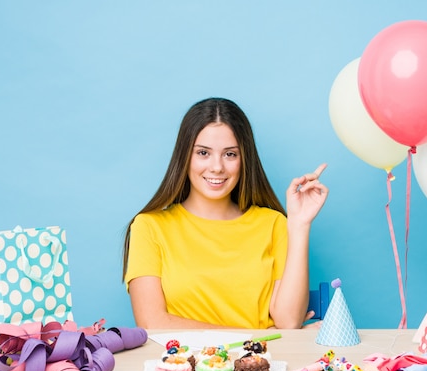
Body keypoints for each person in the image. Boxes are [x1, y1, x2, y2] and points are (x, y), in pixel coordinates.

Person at [122, 97, 328, 330]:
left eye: (230, 154)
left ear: (244, 160)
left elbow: (288, 322)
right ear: (184, 156)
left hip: (261, 365)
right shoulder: (149, 227)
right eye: (203, 153)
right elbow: (153, 323)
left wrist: (300, 224)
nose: (217, 167)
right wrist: (257, 338)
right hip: (185, 365)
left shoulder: (274, 224)